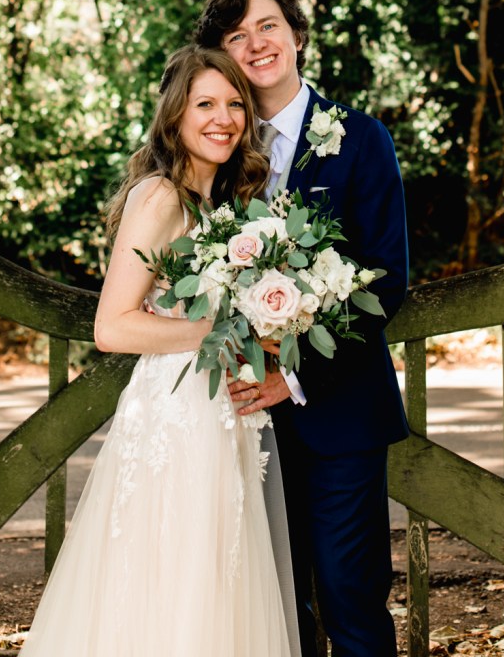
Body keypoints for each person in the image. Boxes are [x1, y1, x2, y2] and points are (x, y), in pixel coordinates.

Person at [19, 44, 300, 657]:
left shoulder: (222, 206)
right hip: (176, 418)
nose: (223, 117)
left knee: (217, 578)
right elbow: (112, 327)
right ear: (175, 117)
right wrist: (227, 331)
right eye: (205, 103)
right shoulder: (160, 196)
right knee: (170, 578)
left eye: (234, 104)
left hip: (221, 415)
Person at [195, 0, 409, 657]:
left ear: (293, 33)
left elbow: (385, 277)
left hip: (340, 415)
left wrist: (293, 377)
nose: (254, 44)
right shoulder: (218, 148)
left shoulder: (360, 138)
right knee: (270, 607)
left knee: (350, 597)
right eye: (235, 37)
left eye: (266, 25)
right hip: (243, 423)